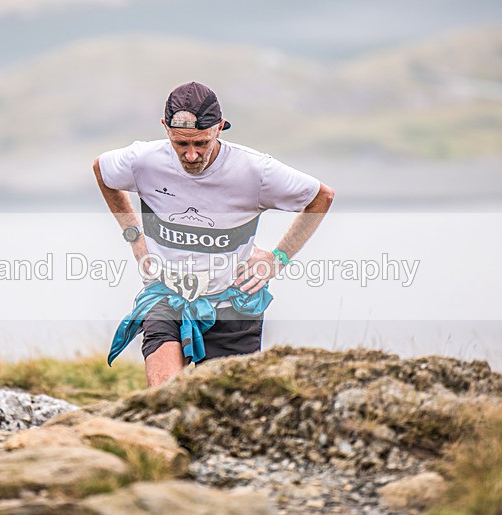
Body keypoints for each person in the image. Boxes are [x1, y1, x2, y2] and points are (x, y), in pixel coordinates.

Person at [93, 81, 335, 387]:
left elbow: (321, 197)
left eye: (201, 143)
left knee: (232, 414)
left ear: (219, 128)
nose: (191, 155)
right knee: (164, 396)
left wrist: (278, 258)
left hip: (232, 306)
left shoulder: (255, 171)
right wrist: (134, 236)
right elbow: (102, 171)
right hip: (166, 297)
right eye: (181, 144)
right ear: (165, 128)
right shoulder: (144, 160)